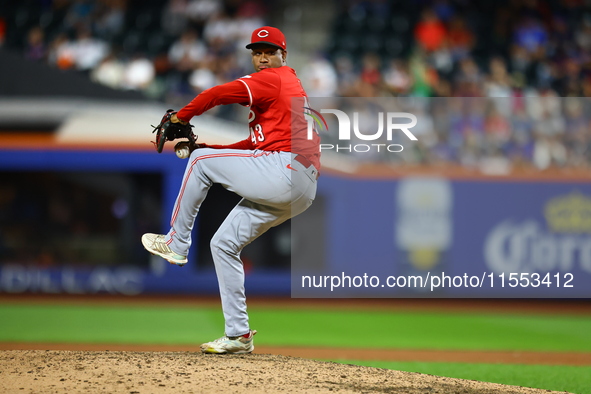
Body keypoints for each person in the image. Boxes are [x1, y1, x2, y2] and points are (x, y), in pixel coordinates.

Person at [141, 26, 320, 354]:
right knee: (223, 244)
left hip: (285, 170)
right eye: (257, 51)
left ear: (284, 56)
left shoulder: (275, 78)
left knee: (199, 162)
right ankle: (238, 335)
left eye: (270, 51)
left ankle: (176, 242)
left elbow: (215, 94)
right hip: (300, 185)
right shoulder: (289, 86)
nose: (262, 57)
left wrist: (181, 116)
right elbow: (253, 146)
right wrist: (208, 147)